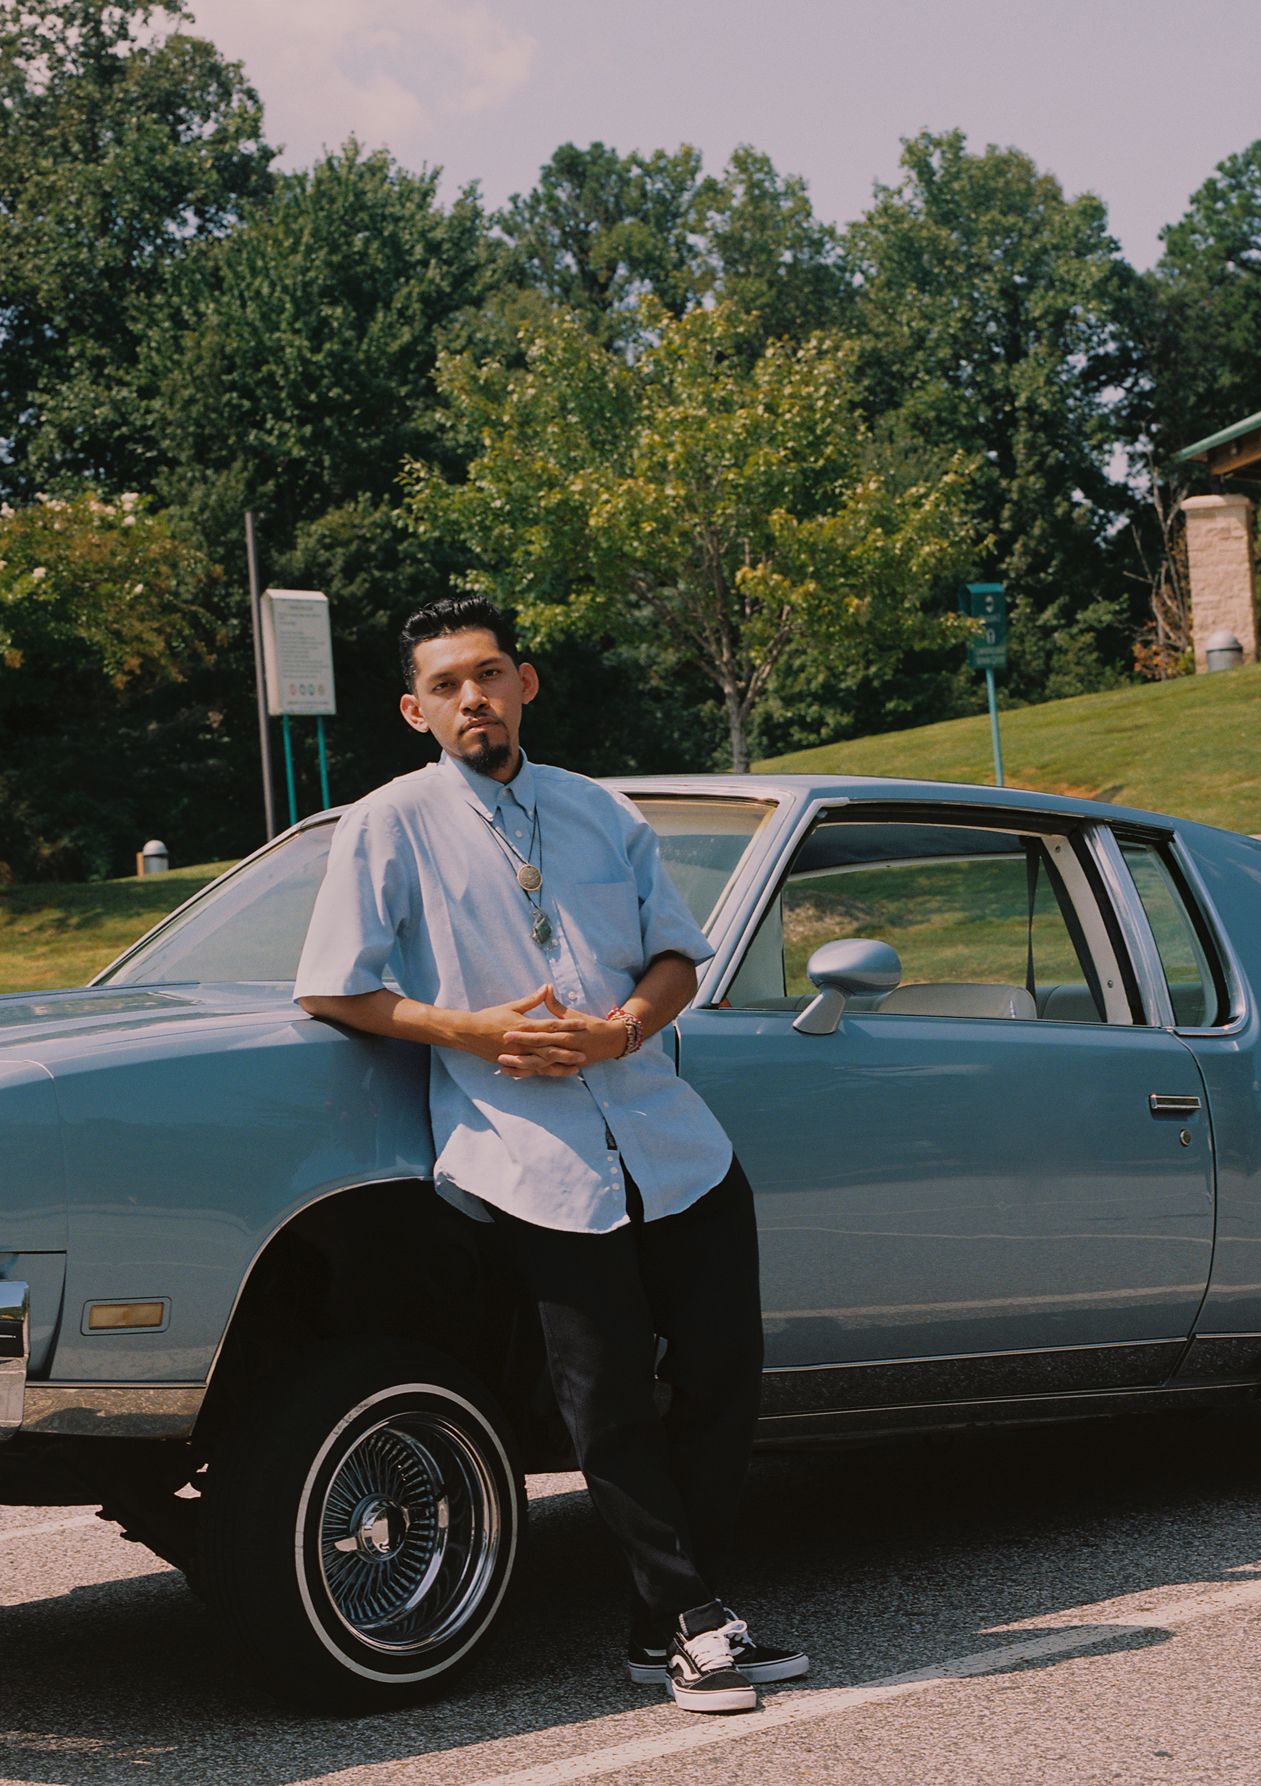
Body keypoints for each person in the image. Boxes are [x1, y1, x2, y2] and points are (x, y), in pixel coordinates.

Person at [293, 594, 805, 1716]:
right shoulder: (387, 824)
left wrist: (625, 1027)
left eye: (487, 674)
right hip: (525, 1154)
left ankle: (670, 1621)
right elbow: (333, 984)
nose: (470, 698)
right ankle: (688, 1621)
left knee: (723, 1373)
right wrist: (472, 1031)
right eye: (445, 685)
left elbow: (680, 958)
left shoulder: (598, 812)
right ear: (414, 710)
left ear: (525, 682)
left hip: (673, 1145)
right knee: (606, 1397)